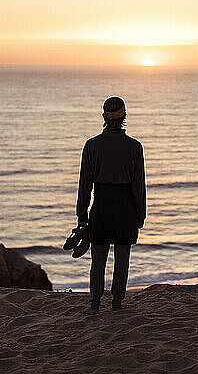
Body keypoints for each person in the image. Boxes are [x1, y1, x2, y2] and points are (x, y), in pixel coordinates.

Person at [76, 96, 146, 314]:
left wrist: (81, 214)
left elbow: (85, 184)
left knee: (98, 259)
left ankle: (95, 303)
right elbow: (138, 186)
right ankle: (117, 302)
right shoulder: (134, 147)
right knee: (122, 259)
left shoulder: (92, 146)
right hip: (126, 208)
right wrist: (140, 214)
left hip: (102, 207)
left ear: (103, 117)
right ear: (124, 117)